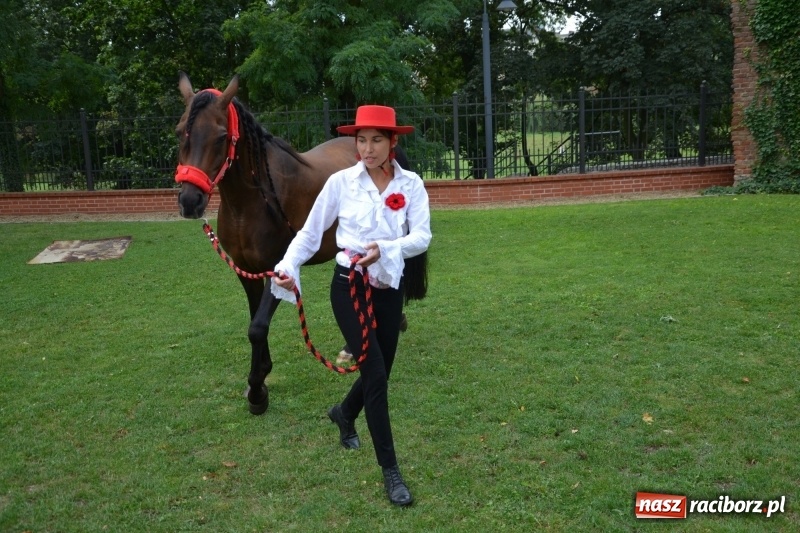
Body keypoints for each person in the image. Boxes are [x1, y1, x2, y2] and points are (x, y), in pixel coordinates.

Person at [271, 105, 431, 507]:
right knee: (375, 374)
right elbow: (310, 234)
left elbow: (422, 237)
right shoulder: (340, 183)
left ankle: (344, 413)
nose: (367, 148)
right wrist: (287, 266)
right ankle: (391, 471)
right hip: (349, 287)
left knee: (381, 371)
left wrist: (388, 249)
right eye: (361, 140)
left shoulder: (411, 184)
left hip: (388, 287)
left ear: (392, 142)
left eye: (376, 140)